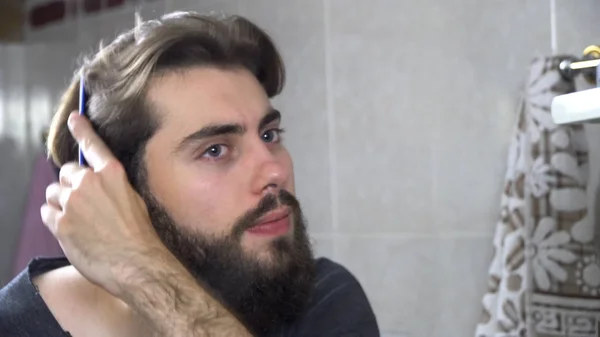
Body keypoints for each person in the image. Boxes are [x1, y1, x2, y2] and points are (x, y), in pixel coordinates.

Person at [0, 11, 379, 337]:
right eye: (215, 150)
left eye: (269, 135)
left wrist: (142, 272)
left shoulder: (320, 299)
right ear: (118, 186)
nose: (275, 170)